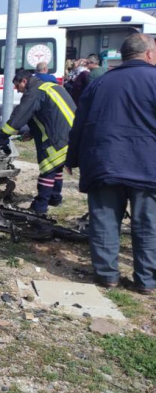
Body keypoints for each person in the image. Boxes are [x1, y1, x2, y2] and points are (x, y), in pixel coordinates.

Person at [67, 33, 156, 295]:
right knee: (148, 223)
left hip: (103, 162)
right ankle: (146, 281)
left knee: (104, 220)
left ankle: (107, 276)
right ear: (149, 54)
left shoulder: (99, 83)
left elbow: (79, 123)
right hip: (147, 165)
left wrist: (72, 158)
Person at [0, 69, 76, 215]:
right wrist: (32, 132)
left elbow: (19, 116)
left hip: (57, 136)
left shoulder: (34, 92)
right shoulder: (49, 86)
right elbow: (48, 113)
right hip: (71, 133)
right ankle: (55, 197)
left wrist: (1, 135)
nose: (18, 91)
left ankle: (40, 206)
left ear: (24, 81)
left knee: (47, 168)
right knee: (57, 166)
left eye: (17, 86)